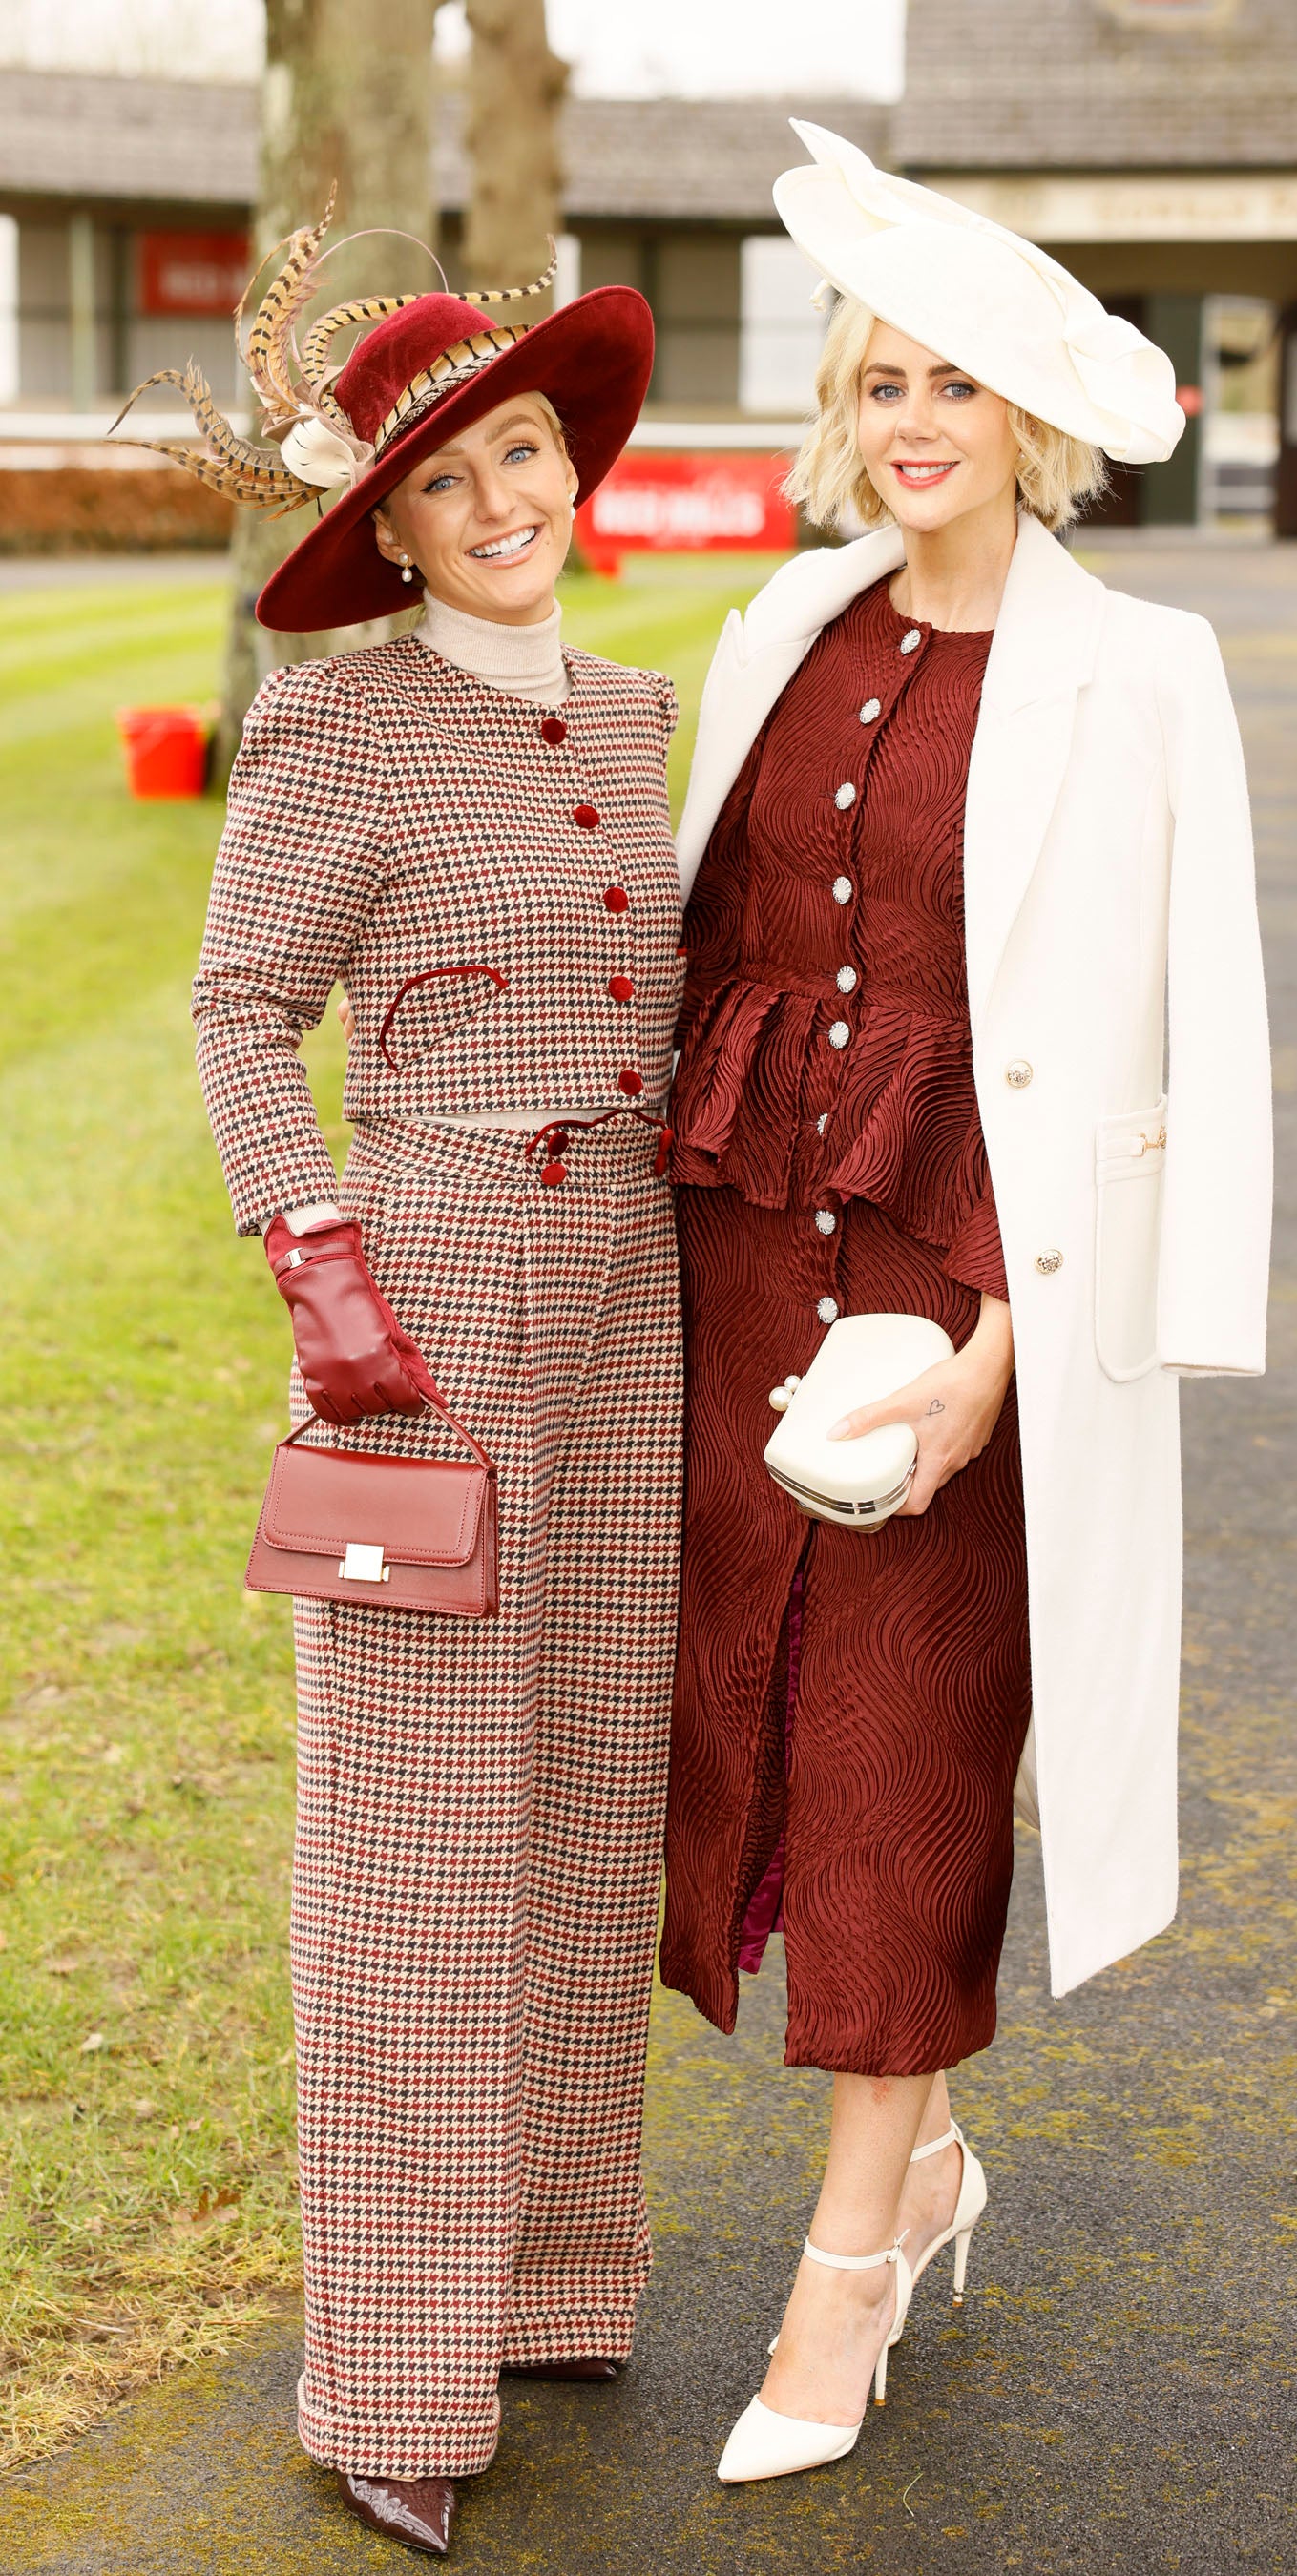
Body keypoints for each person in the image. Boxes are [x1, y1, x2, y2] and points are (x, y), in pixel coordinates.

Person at [659, 123, 1273, 2485]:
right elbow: (706, 952)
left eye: (959, 384)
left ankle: (841, 2282)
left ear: (1031, 420)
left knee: (906, 1761)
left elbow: (1179, 1033)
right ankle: (918, 2172)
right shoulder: (778, 626)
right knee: (756, 1728)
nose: (915, 421)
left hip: (973, 1296)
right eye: (882, 379)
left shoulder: (1146, 671)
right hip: (746, 1260)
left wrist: (1010, 1351)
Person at [123, 226, 683, 2556]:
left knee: (587, 1798)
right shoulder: (338, 721)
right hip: (425, 1302)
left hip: (634, 1299)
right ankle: (391, 2363)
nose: (500, 503)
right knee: (412, 1840)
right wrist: (316, 1263)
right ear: (393, 525)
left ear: (573, 460)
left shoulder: (644, 714)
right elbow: (238, 1006)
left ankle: (547, 2276)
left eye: (522, 452)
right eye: (446, 481)